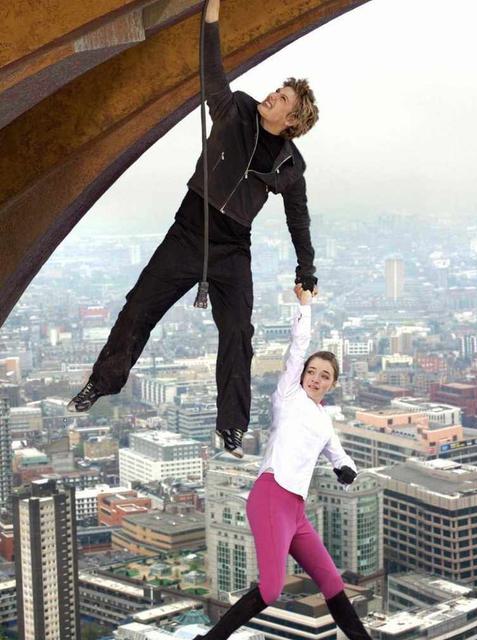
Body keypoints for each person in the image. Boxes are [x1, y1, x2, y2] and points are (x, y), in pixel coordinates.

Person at [68, 0, 320, 458]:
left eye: (283, 99)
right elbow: (212, 70)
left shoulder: (291, 163)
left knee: (239, 333)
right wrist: (211, 17)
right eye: (277, 90)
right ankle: (100, 385)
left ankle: (232, 426)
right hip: (189, 230)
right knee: (138, 307)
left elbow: (296, 217)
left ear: (293, 122)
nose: (272, 96)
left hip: (232, 249)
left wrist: (307, 268)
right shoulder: (235, 108)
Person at [195, 285, 369, 640]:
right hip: (272, 495)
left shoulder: (324, 419)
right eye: (313, 371)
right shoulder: (288, 395)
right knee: (271, 590)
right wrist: (305, 304)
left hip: (295, 510)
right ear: (303, 373)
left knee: (333, 582)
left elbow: (337, 453)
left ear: (332, 385)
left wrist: (347, 470)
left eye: (325, 376)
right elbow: (297, 346)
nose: (316, 378)